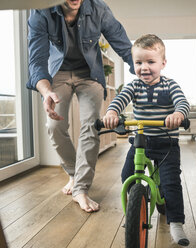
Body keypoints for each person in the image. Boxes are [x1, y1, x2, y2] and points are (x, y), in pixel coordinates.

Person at [26, 0, 135, 213]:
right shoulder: (41, 11)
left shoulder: (99, 9)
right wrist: (46, 91)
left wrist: (144, 68)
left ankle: (81, 189)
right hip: (57, 73)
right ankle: (74, 173)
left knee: (91, 126)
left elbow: (123, 45)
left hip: (90, 74)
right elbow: (36, 61)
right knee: (54, 126)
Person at [103, 34, 190, 246]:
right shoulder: (133, 86)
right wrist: (112, 113)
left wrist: (178, 115)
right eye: (139, 62)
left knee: (170, 183)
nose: (144, 67)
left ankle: (176, 222)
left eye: (150, 62)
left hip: (166, 144)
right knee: (127, 175)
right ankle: (133, 212)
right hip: (141, 141)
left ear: (162, 63)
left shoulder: (170, 85)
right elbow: (119, 100)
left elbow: (182, 103)